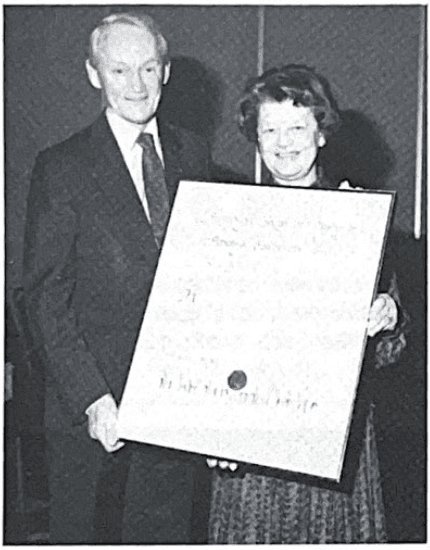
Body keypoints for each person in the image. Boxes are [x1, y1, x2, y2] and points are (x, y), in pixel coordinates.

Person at [23, 11, 210, 544]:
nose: (137, 85)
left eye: (149, 68)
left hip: (174, 406)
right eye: (120, 70)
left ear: (166, 72)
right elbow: (43, 295)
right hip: (93, 413)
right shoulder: (60, 166)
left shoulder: (193, 154)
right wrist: (92, 397)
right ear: (92, 74)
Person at [207, 64, 409, 543]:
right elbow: (207, 344)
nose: (284, 141)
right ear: (254, 138)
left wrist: (388, 315)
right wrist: (210, 431)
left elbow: (392, 350)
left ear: (321, 133)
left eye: (298, 127)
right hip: (250, 459)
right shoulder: (229, 226)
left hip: (335, 456)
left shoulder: (359, 220)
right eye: (269, 129)